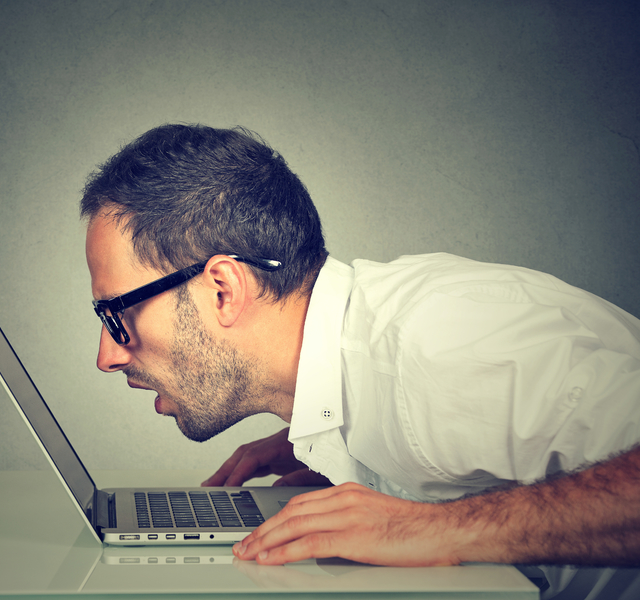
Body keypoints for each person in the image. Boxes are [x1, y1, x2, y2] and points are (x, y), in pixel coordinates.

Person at [80, 123, 640, 567]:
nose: (107, 355)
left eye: (117, 313)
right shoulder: (363, 370)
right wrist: (336, 444)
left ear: (224, 289)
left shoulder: (438, 341)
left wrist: (434, 526)